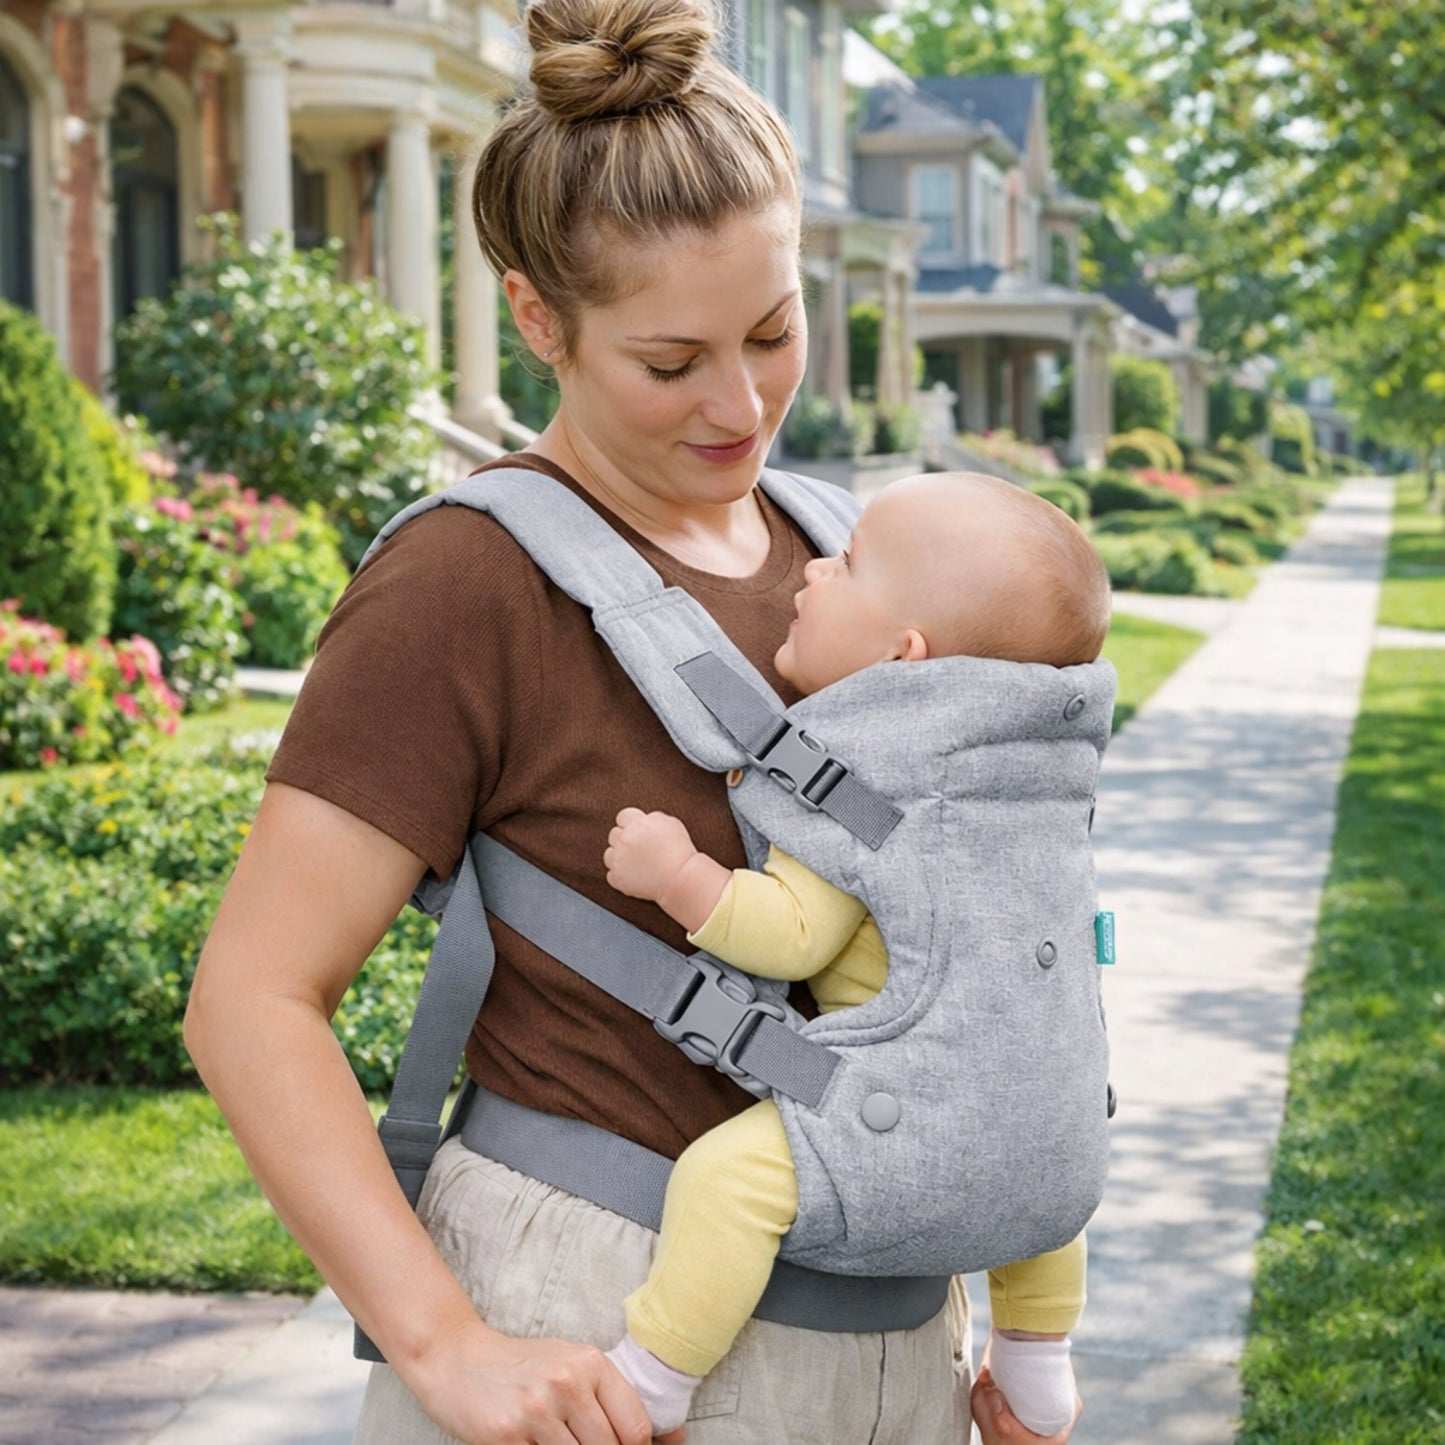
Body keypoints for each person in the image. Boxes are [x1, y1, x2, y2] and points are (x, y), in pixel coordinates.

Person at [183, 0, 1081, 1439]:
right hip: (591, 1324)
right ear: (538, 319)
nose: (741, 404)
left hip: (894, 1335)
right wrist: (442, 1344)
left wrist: (1012, 1316)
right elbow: (250, 999)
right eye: (671, 363)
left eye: (773, 331)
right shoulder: (463, 582)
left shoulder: (852, 557)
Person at [601, 472, 1109, 1439]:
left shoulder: (873, 789)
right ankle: (1037, 1358)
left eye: (848, 564)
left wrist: (680, 876)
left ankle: (655, 1373)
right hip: (1054, 1122)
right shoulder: (1031, 789)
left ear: (900, 657)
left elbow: (793, 932)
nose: (813, 570)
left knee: (726, 1180)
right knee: (1033, 1177)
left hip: (909, 1113)